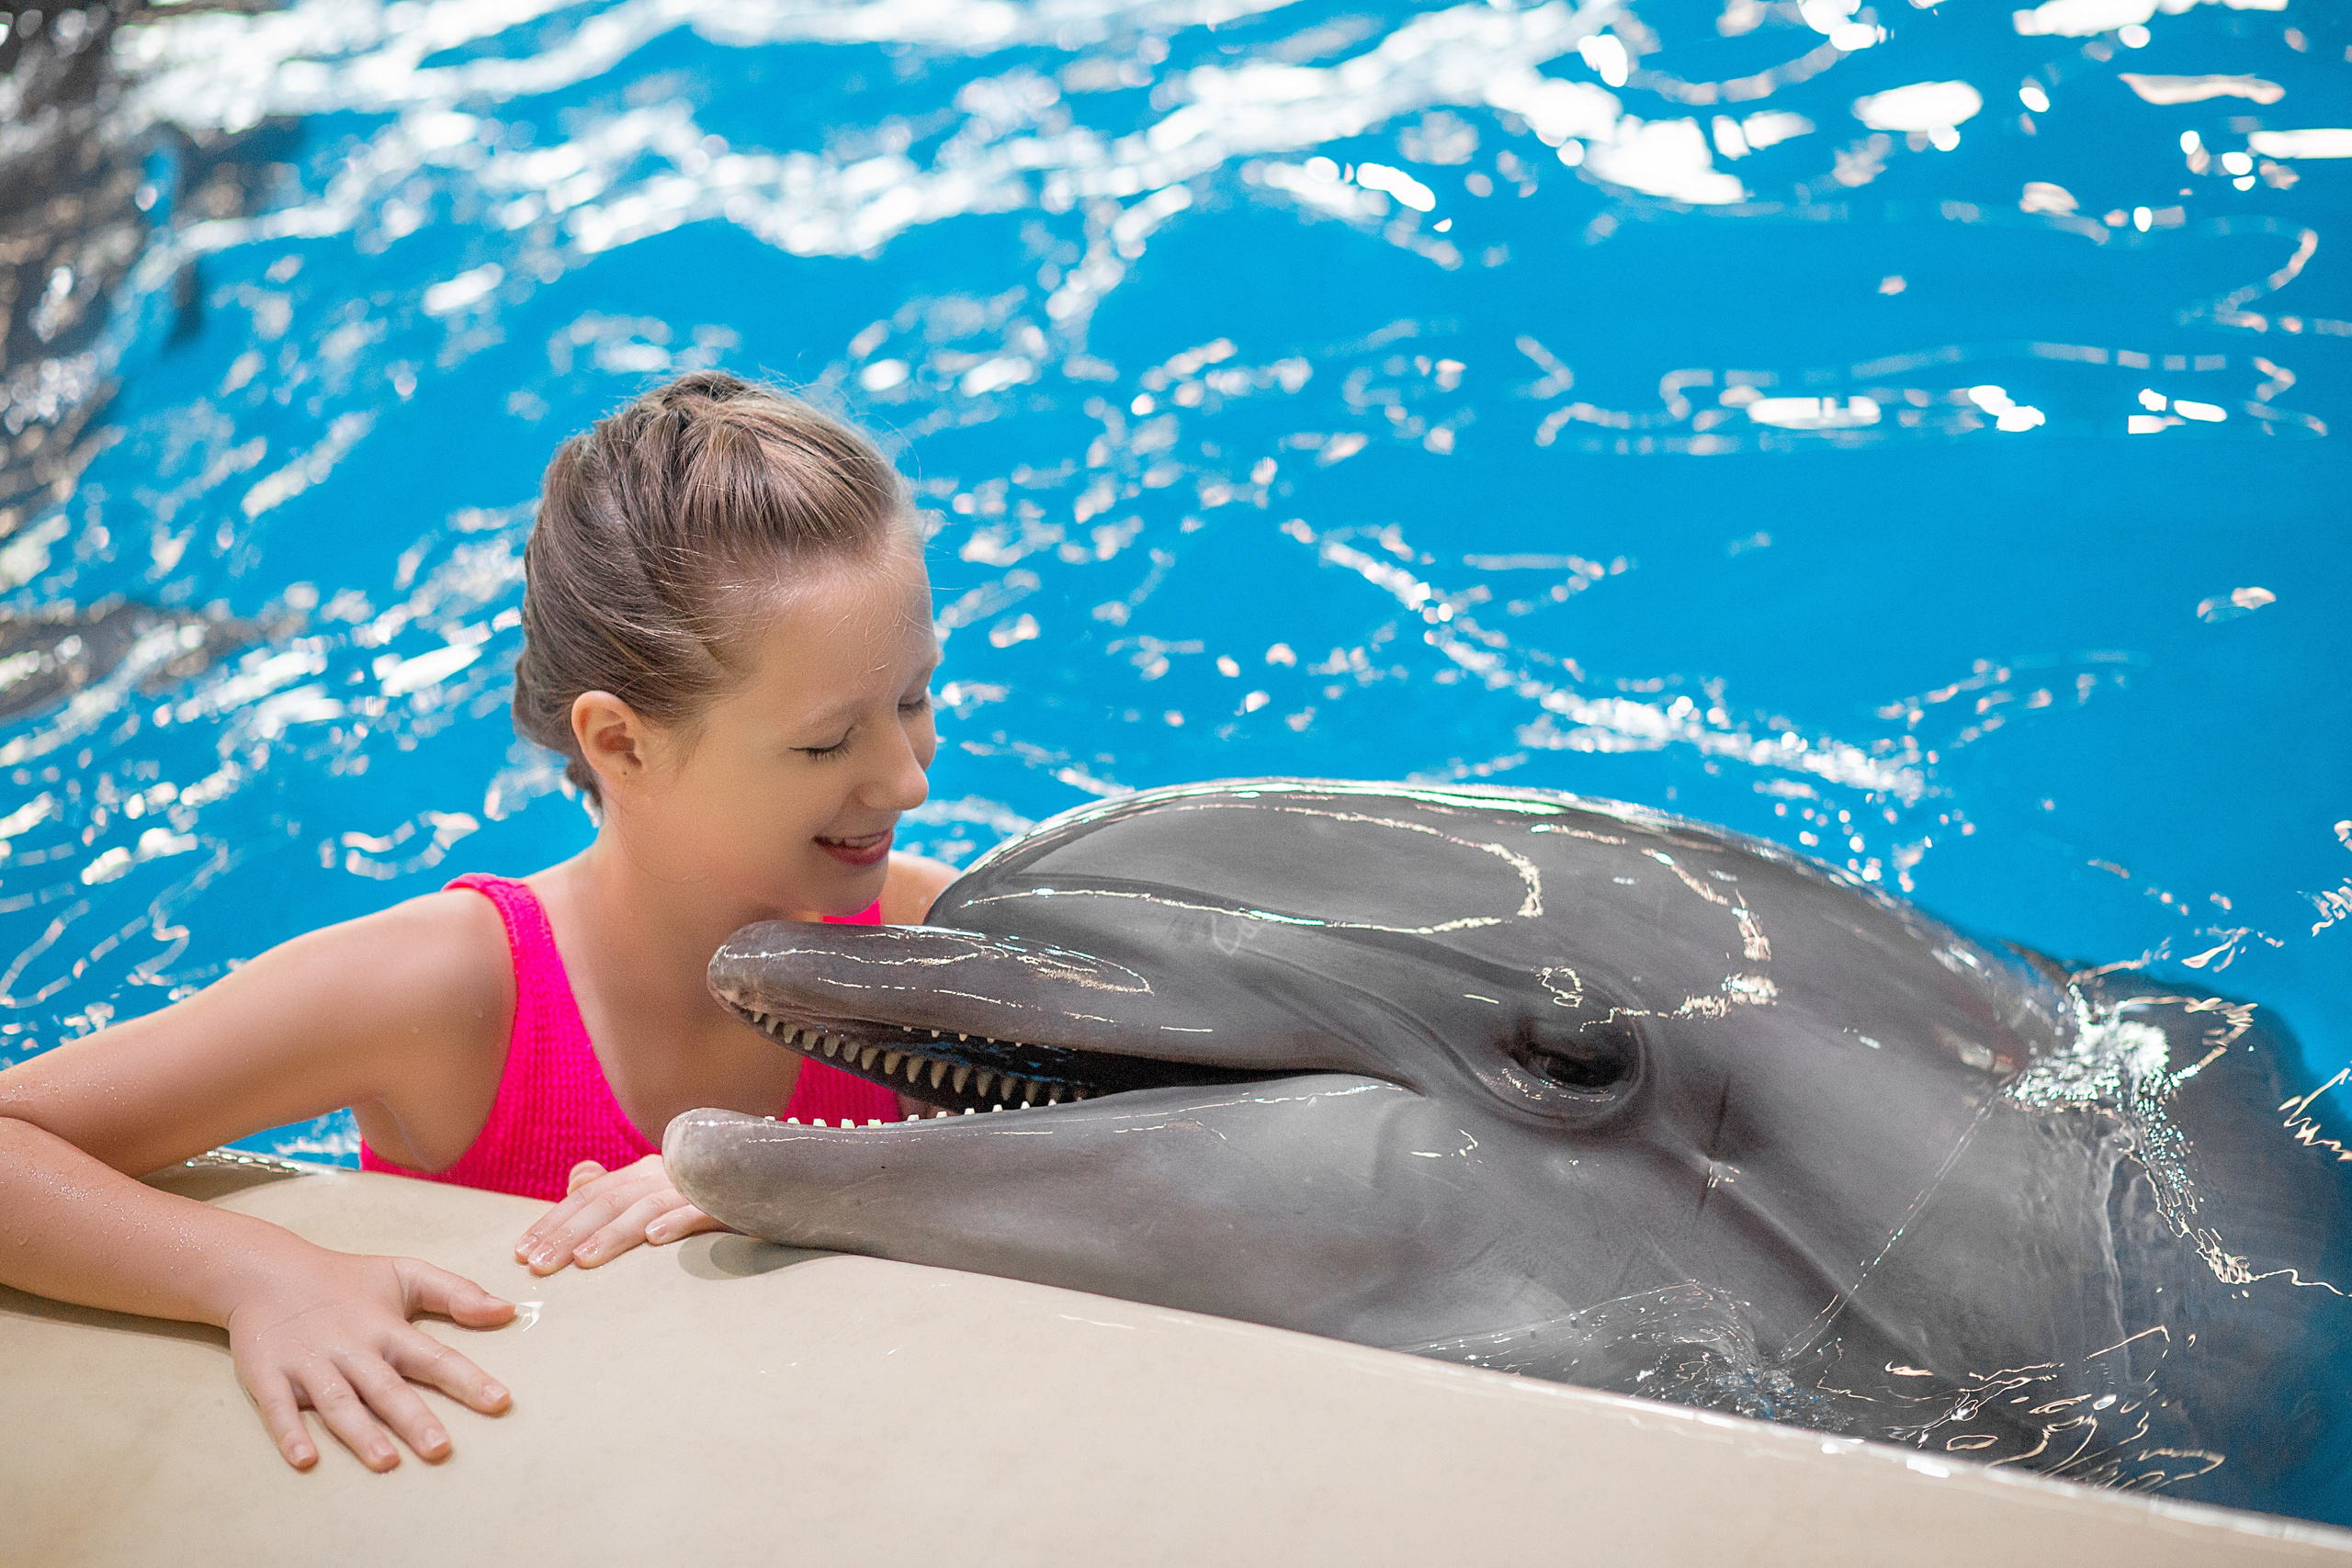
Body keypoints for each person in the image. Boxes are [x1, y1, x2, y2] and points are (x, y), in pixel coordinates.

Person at [0, 372, 956, 1474]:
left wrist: (796, 1178)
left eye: (915, 699)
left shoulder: (926, 944)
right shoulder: (454, 994)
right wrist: (256, 1272)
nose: (906, 780)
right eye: (826, 744)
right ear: (621, 744)